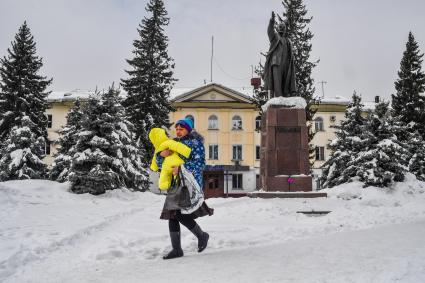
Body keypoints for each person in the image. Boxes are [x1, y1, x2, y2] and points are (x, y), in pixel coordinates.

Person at [155, 117, 214, 260]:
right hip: (175, 183)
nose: (178, 131)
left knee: (181, 214)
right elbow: (160, 164)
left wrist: (181, 169)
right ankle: (177, 249)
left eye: (181, 129)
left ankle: (202, 236)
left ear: (188, 129)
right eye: (177, 128)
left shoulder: (196, 143)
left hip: (189, 184)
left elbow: (200, 164)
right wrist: (160, 155)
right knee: (172, 215)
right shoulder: (173, 143)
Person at [263, 11, 297, 98]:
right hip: (276, 63)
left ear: (285, 29)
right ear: (278, 28)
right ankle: (278, 98)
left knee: (286, 81)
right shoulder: (275, 37)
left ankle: (286, 95)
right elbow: (270, 31)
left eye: (283, 27)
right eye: (280, 27)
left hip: (286, 64)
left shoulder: (288, 41)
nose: (282, 28)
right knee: (277, 83)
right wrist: (272, 21)